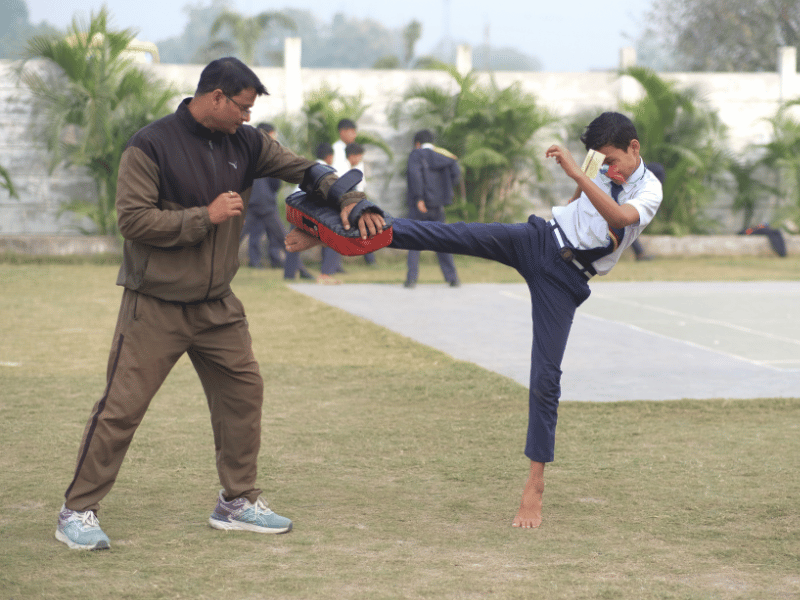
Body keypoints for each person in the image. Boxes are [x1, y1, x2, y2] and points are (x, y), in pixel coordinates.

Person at [55, 57, 383, 551]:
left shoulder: (246, 143)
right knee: (121, 409)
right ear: (215, 97)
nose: (248, 118)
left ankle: (236, 502)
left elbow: (300, 167)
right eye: (243, 108)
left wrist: (347, 196)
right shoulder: (150, 145)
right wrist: (204, 218)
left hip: (217, 306)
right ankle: (76, 512)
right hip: (156, 304)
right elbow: (133, 221)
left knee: (243, 394)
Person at [286, 112, 662, 529]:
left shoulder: (649, 189)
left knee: (545, 379)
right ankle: (329, 228)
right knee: (451, 234)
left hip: (566, 278)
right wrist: (582, 180)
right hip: (538, 239)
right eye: (600, 161)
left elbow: (620, 219)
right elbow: (580, 203)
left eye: (613, 161)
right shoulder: (598, 166)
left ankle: (534, 486)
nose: (607, 168)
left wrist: (577, 170)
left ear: (634, 148)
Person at [404, 130, 461, 288]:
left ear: (417, 143)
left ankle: (411, 279)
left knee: (414, 240)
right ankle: (452, 278)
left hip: (420, 205)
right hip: (438, 205)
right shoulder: (444, 156)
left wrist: (419, 198)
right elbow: (456, 174)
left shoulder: (416, 155)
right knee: (442, 240)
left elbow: (415, 175)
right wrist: (444, 192)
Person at [241, 123, 289, 269]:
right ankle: (296, 267)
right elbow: (276, 180)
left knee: (238, 236)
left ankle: (255, 262)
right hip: (265, 203)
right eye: (273, 134)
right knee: (282, 237)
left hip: (251, 202)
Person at [345, 142, 377, 265]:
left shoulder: (356, 168)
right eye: (359, 156)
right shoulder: (343, 168)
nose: (360, 159)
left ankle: (370, 260)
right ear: (352, 156)